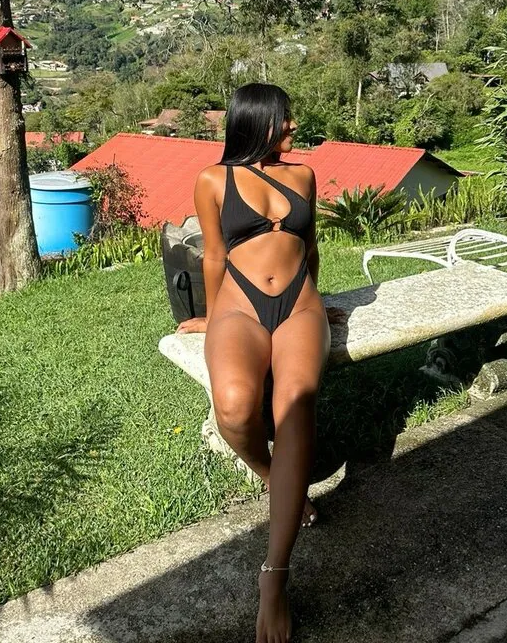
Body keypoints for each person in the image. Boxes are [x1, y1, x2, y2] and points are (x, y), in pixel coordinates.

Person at [176, 82, 331, 643]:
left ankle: (275, 576)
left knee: (295, 406)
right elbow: (215, 255)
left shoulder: (304, 175)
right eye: (283, 119)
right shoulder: (212, 180)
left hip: (300, 305)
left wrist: (320, 302)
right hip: (239, 305)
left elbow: (310, 247)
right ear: (256, 122)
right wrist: (211, 317)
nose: (292, 127)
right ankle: (272, 475)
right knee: (236, 409)